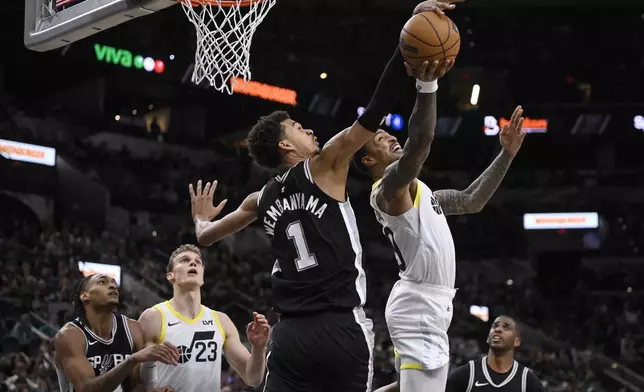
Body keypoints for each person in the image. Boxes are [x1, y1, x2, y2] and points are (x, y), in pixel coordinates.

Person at [188, 3, 460, 392]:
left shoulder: (260, 198)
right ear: (285, 143)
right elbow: (376, 109)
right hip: (340, 328)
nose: (308, 129)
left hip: (290, 335)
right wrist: (406, 47)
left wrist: (200, 219)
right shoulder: (325, 165)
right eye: (298, 127)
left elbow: (205, 237)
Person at [359, 103, 527, 392]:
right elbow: (417, 149)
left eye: (388, 134)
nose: (389, 138)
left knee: (406, 387)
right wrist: (428, 85)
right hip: (419, 304)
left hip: (429, 302)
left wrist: (506, 154)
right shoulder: (388, 190)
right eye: (379, 139)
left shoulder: (423, 193)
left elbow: (472, 200)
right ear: (368, 160)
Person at [137, 244, 270, 392]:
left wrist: (259, 348)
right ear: (171, 275)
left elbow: (252, 378)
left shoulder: (221, 320)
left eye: (198, 262)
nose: (193, 263)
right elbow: (134, 381)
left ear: (202, 276)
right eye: (184, 260)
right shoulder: (153, 317)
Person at [54, 274, 180, 392]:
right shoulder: (69, 336)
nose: (112, 285)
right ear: (84, 296)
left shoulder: (132, 328)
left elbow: (133, 386)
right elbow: (86, 389)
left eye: (114, 283)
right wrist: (131, 360)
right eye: (102, 282)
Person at [446, 315, 545, 392]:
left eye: (506, 328)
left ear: (517, 341)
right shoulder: (468, 373)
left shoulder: (527, 381)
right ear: (488, 338)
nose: (498, 329)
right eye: (495, 326)